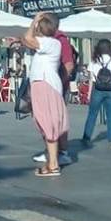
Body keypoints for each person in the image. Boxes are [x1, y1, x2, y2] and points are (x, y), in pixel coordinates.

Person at [20, 12, 68, 177]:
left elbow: (27, 38)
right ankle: (51, 162)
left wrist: (34, 21)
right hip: (43, 84)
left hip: (45, 84)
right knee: (46, 123)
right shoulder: (51, 43)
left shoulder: (51, 43)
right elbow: (26, 40)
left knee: (48, 123)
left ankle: (53, 164)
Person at [32, 27, 77, 167]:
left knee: (56, 120)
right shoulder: (49, 41)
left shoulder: (60, 41)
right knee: (46, 120)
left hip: (54, 86)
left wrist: (58, 81)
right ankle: (51, 152)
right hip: (48, 84)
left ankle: (62, 153)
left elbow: (69, 64)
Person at [81, 38, 111, 148]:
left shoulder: (94, 60)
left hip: (97, 90)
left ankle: (86, 137)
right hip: (110, 90)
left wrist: (89, 94)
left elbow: (91, 79)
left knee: (92, 114)